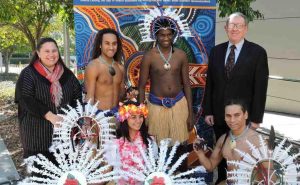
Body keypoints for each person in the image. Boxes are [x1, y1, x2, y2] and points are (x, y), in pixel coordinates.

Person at [203, 12, 269, 182]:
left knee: (243, 157)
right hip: (219, 115)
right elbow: (210, 83)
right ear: (226, 28)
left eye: (239, 25)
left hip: (243, 118)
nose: (235, 29)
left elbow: (260, 89)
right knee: (223, 153)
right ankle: (224, 181)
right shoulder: (216, 51)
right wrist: (208, 110)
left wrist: (255, 118)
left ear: (245, 29)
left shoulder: (257, 53)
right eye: (232, 25)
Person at [15, 37, 82, 161]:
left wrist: (71, 116)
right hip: (36, 135)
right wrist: (50, 116)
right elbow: (25, 99)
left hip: (64, 135)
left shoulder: (67, 74)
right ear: (38, 53)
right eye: (47, 51)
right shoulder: (29, 73)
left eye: (54, 51)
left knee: (64, 176)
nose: (51, 54)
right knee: (41, 174)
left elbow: (77, 96)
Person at [138, 18, 193, 145]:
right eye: (162, 35)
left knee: (181, 146)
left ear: (173, 35)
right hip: (156, 106)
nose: (166, 38)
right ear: (156, 35)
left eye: (169, 34)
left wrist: (190, 113)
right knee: (156, 146)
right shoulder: (149, 56)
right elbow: (140, 87)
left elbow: (187, 85)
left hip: (179, 105)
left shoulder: (181, 55)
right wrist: (141, 114)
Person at [194, 99, 261, 185]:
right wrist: (200, 153)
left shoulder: (257, 140)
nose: (232, 120)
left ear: (246, 115)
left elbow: (270, 177)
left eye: (237, 115)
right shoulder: (223, 139)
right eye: (228, 116)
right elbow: (210, 166)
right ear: (224, 117)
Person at [105, 101, 154, 185]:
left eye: (141, 116)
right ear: (124, 118)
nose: (138, 120)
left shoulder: (150, 142)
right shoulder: (114, 144)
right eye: (133, 117)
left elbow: (153, 171)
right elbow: (106, 172)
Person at [84, 28, 125, 113]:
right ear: (100, 45)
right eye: (107, 43)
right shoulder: (93, 66)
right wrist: (87, 121)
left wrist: (128, 94)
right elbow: (89, 96)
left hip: (117, 115)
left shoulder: (120, 68)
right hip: (99, 116)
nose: (111, 47)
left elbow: (121, 94)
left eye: (114, 44)